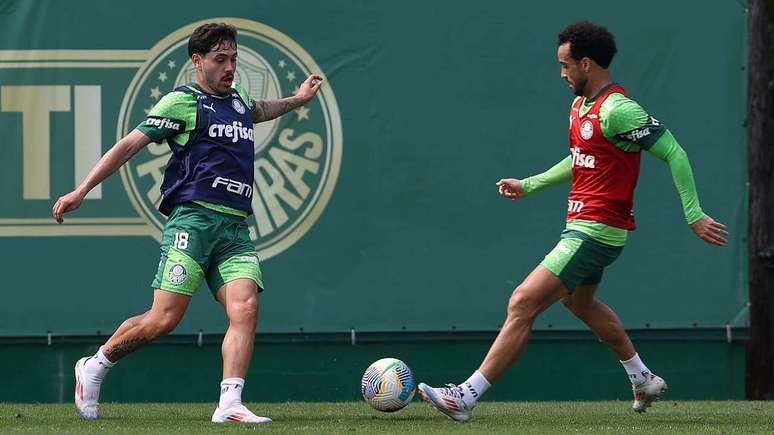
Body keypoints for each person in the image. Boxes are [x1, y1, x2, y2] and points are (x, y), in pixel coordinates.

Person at [417, 21, 728, 423]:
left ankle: (466, 396)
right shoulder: (581, 106)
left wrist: (693, 214)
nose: (562, 74)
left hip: (596, 230)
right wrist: (529, 184)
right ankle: (642, 376)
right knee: (577, 301)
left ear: (586, 63)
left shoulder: (619, 109)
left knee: (523, 301)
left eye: (566, 66)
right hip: (584, 226)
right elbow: (581, 158)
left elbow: (675, 152)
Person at [52, 22, 323, 424]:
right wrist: (81, 190)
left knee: (246, 307)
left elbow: (258, 111)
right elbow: (128, 145)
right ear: (197, 61)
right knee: (163, 319)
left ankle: (229, 404)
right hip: (193, 223)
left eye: (233, 58)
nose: (230, 67)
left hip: (234, 229)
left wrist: (297, 100)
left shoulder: (238, 99)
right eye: (220, 59)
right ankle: (94, 366)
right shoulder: (182, 102)